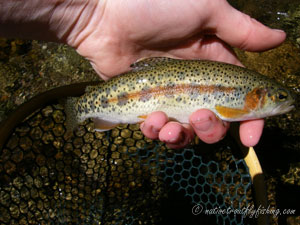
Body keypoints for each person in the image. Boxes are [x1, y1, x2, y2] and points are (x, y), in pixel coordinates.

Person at [0, 0, 286, 149]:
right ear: (257, 96)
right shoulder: (238, 104)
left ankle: (84, 108)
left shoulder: (243, 95)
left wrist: (89, 15)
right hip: (131, 88)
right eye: (280, 98)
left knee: (171, 126)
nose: (283, 102)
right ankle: (83, 108)